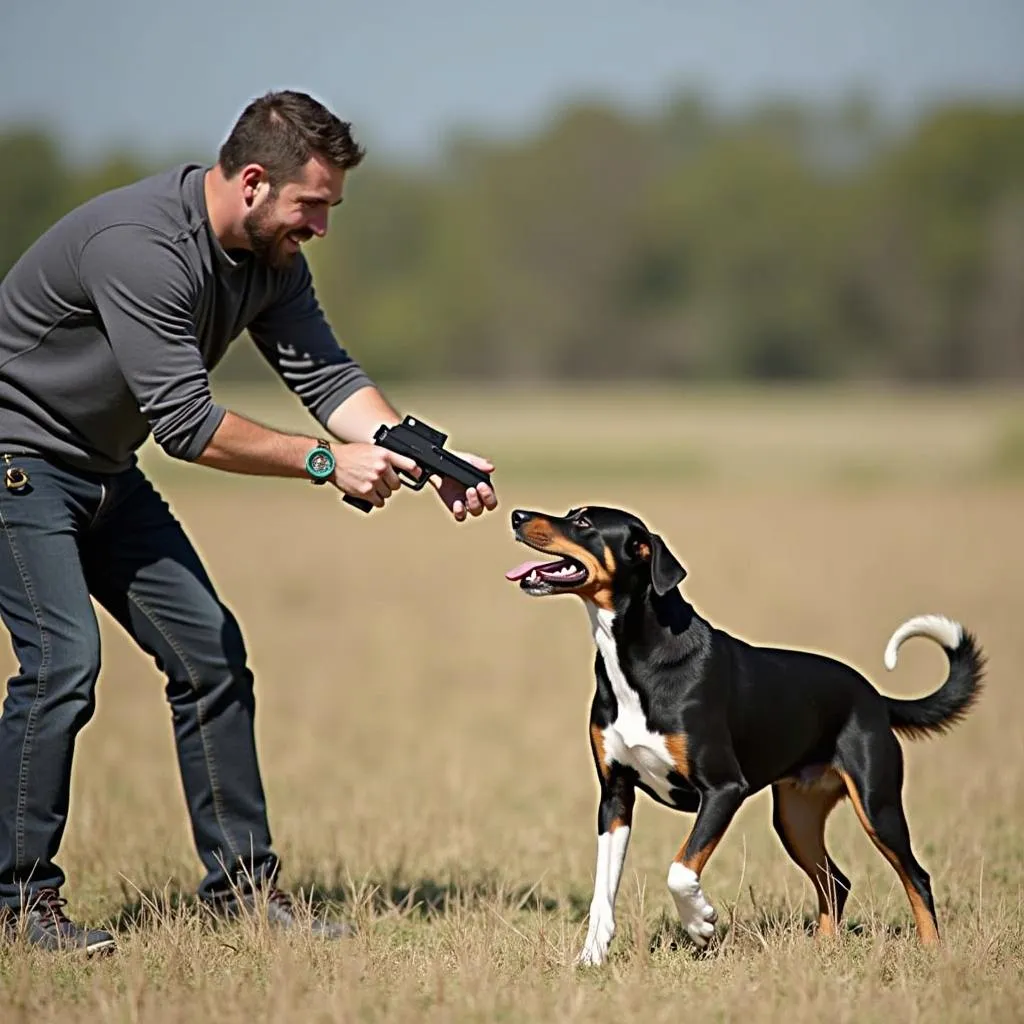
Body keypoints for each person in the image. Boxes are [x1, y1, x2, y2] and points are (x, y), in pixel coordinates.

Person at [0, 89, 498, 954]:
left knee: (210, 656)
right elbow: (188, 424)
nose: (322, 227)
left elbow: (331, 379)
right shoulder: (143, 248)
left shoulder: (272, 265)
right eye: (314, 206)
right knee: (62, 664)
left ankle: (241, 892)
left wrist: (427, 456)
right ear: (257, 182)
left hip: (108, 473)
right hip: (18, 465)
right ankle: (17, 905)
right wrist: (322, 462)